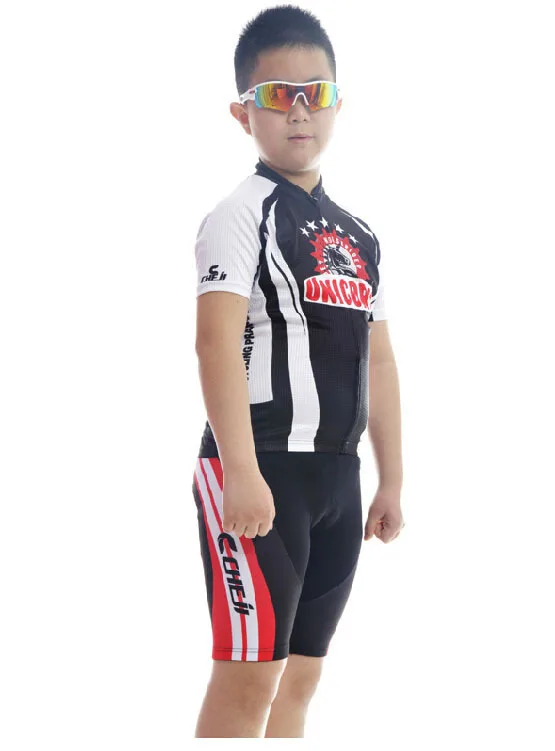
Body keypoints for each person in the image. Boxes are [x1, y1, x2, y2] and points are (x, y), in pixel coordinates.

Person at [191, 4, 404, 738]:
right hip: (260, 468)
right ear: (242, 112)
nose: (299, 111)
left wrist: (391, 479)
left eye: (316, 93)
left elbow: (379, 357)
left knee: (302, 678)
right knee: (249, 679)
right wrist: (241, 471)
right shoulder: (239, 213)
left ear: (338, 102)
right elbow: (215, 345)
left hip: (337, 478)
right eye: (279, 95)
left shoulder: (359, 234)